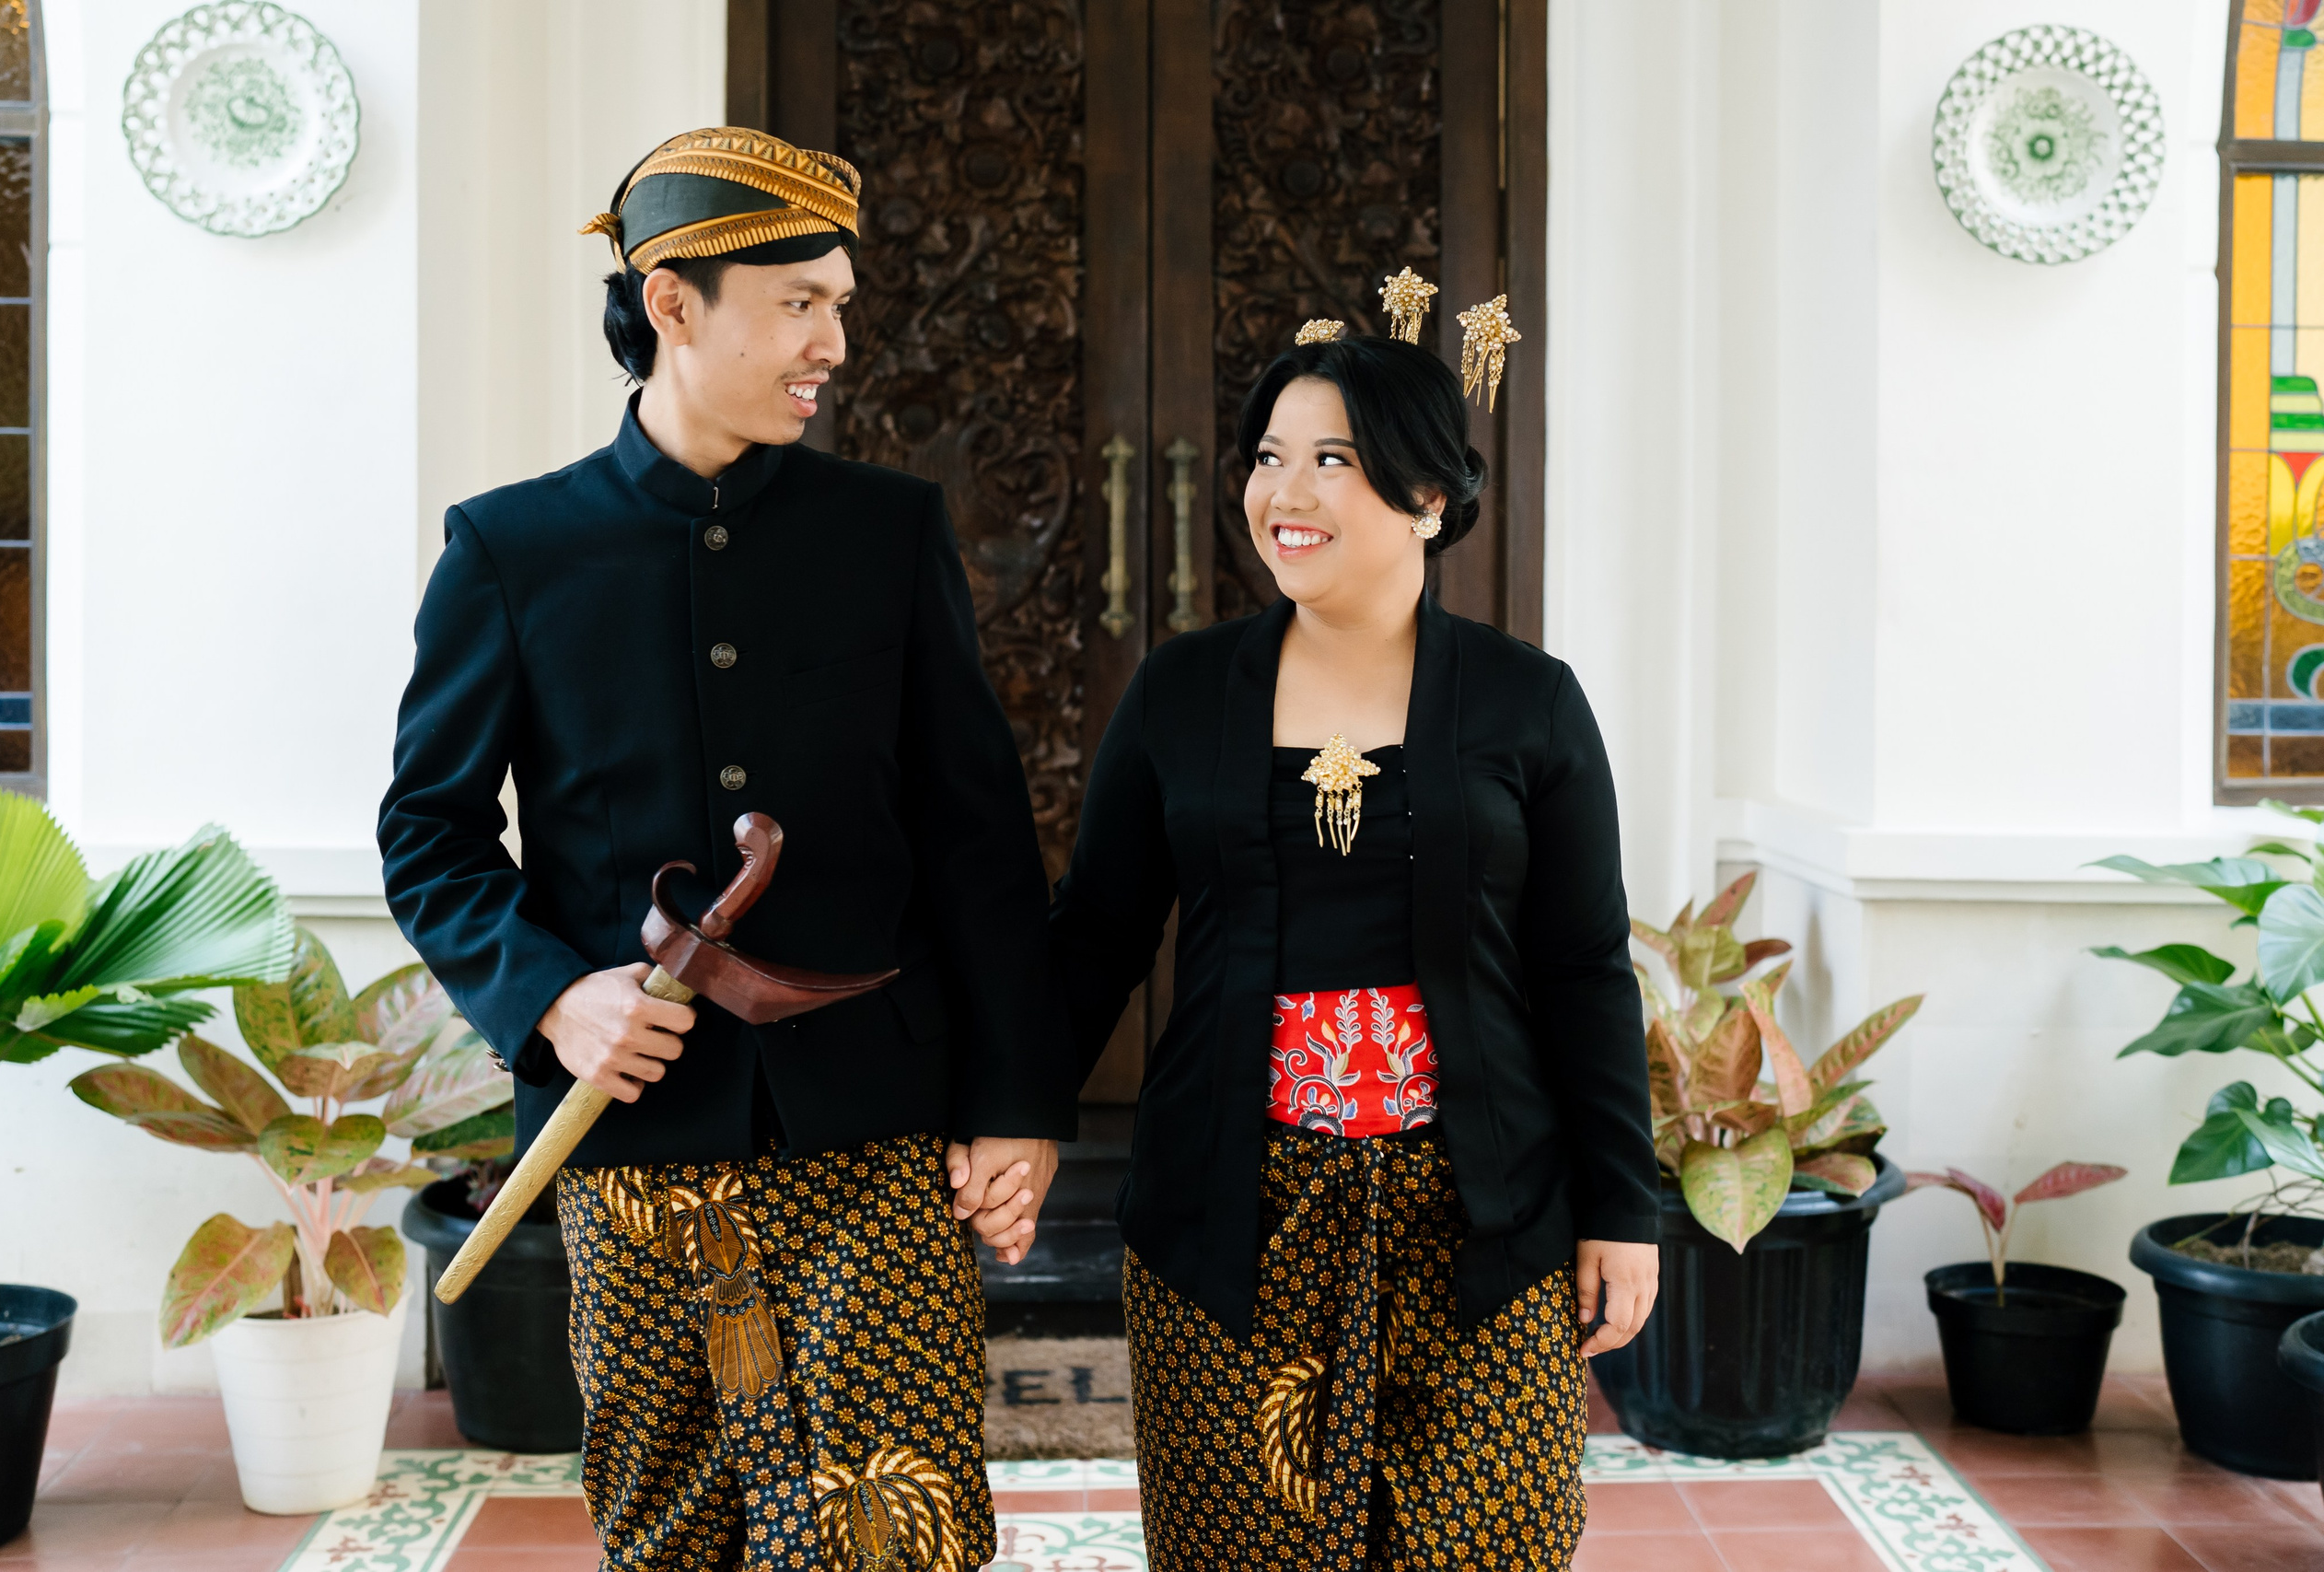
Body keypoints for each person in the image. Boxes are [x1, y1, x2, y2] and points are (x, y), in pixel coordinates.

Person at [378, 126, 1068, 1572]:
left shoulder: (888, 532)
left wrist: (1015, 1102)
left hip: (875, 1129)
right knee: (669, 1524)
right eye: (799, 302)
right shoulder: (515, 550)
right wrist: (553, 996)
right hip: (632, 1140)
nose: (832, 339)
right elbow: (430, 834)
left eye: (840, 305)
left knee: (901, 1526)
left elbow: (977, 841)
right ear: (675, 301)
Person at [1048, 312, 1662, 1569]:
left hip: (1483, 1225)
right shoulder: (1179, 692)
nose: (1286, 491)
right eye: (1270, 457)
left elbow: (1584, 967)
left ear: (1429, 492)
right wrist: (1013, 1115)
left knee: (1482, 1546)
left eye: (1332, 459)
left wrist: (1625, 1209)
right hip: (1230, 1220)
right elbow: (1096, 936)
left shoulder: (1526, 701)